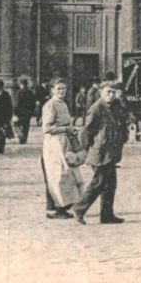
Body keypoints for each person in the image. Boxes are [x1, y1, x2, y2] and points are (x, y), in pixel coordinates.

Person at [73, 79, 129, 225]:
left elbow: (121, 124)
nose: (111, 95)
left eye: (113, 92)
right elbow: (85, 132)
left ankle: (107, 215)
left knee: (110, 184)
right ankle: (79, 209)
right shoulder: (96, 108)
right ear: (101, 93)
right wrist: (86, 151)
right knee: (98, 183)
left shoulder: (115, 106)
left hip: (111, 152)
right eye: (108, 92)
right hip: (99, 153)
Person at [39, 78, 81, 219]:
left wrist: (70, 131)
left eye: (64, 88)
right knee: (57, 175)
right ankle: (54, 209)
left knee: (67, 174)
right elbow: (47, 128)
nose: (62, 91)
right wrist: (67, 129)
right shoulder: (50, 105)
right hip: (54, 144)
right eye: (58, 89)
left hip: (64, 142)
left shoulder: (63, 104)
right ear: (52, 90)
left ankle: (63, 205)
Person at [14, 77, 38, 146]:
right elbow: (33, 103)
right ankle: (24, 138)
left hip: (20, 112)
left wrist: (15, 112)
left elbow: (17, 103)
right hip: (28, 112)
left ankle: (21, 137)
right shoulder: (30, 92)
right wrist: (32, 111)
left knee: (17, 124)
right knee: (26, 126)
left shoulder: (19, 92)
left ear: (21, 84)